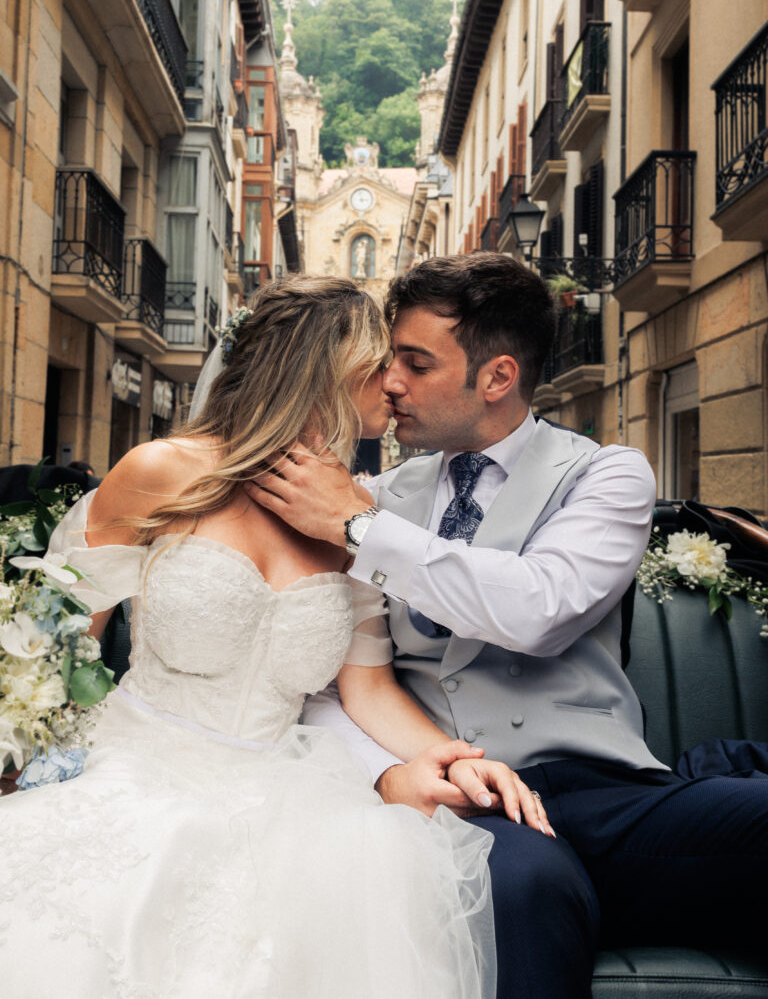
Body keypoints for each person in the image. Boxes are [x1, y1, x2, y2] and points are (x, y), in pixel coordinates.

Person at [0, 276, 553, 998]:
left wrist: (459, 759)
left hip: (283, 787)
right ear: (319, 368)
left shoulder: (355, 514)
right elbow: (53, 643)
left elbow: (369, 688)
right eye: (377, 362)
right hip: (133, 764)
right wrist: (21, 752)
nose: (394, 382)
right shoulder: (161, 473)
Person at [249, 252, 768, 999]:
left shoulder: (605, 475)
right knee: (524, 886)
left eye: (415, 362)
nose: (389, 381)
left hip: (606, 795)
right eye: (390, 358)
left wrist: (363, 529)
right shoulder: (371, 493)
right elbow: (335, 675)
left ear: (495, 377)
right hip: (465, 805)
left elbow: (539, 607)